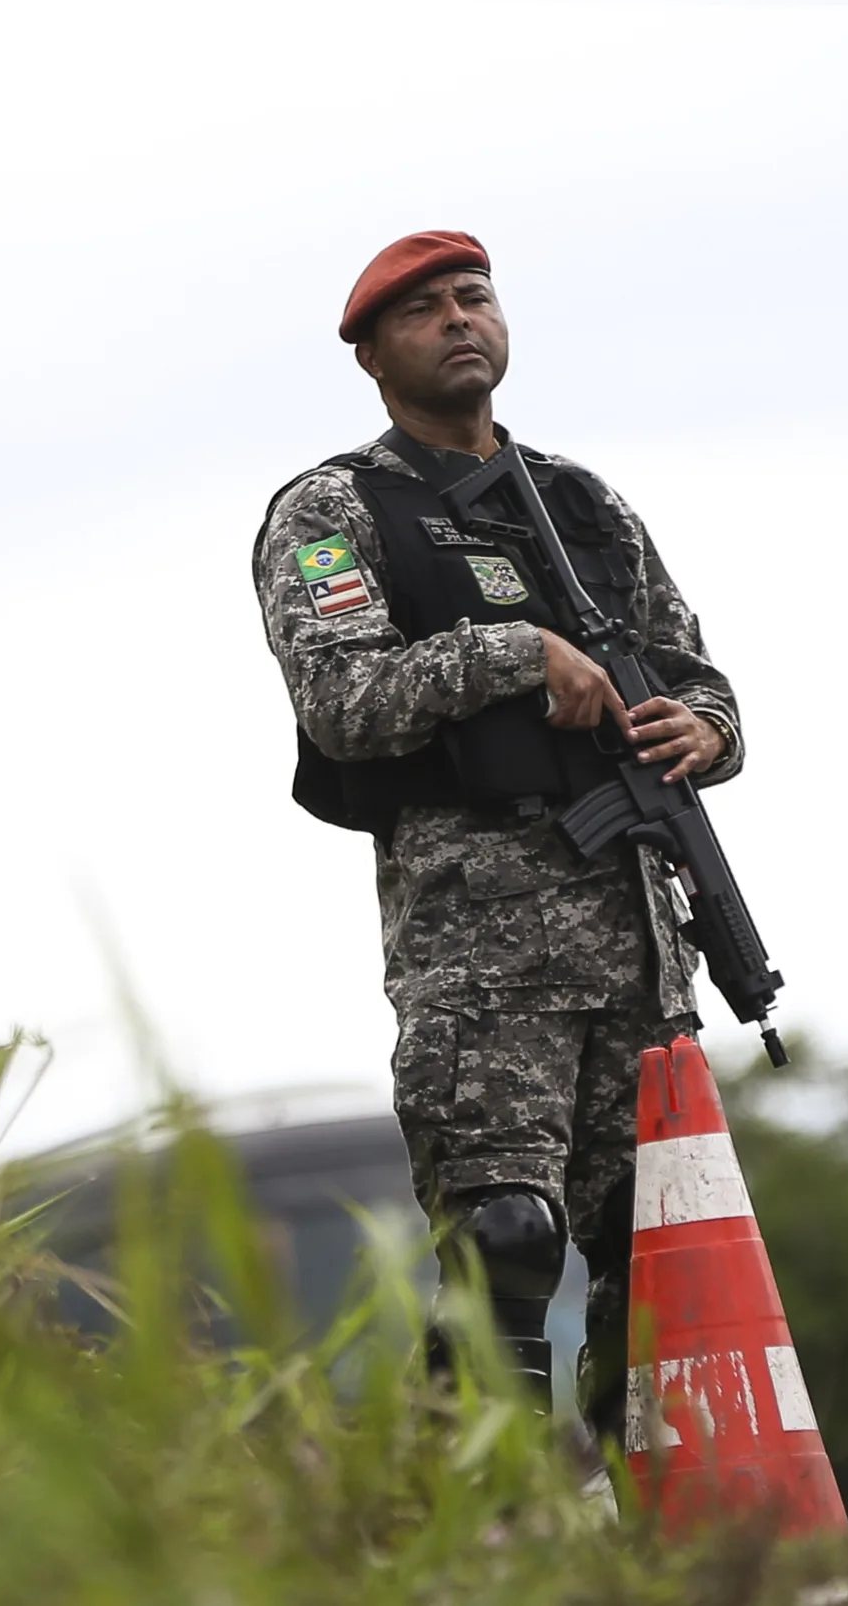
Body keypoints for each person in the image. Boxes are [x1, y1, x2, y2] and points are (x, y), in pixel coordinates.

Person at [251, 230, 745, 1445]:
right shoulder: (335, 509)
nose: (460, 320)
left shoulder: (582, 503)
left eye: (475, 298)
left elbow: (699, 677)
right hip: (481, 943)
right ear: (371, 355)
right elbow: (340, 701)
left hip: (636, 940)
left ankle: (674, 1546)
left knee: (655, 1270)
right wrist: (513, 656)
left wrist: (709, 732)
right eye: (424, 312)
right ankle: (471, 1518)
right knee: (504, 1242)